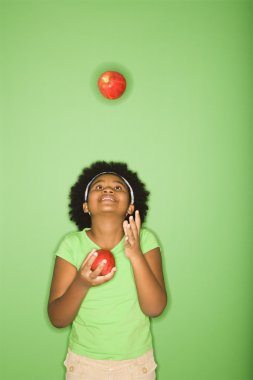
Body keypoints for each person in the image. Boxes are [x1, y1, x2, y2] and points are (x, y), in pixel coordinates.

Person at [48, 161, 167, 380]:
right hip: (84, 365)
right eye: (99, 187)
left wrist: (135, 255)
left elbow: (155, 308)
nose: (108, 189)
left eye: (118, 187)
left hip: (136, 364)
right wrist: (82, 283)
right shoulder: (71, 245)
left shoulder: (145, 241)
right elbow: (57, 318)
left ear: (131, 206)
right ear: (85, 206)